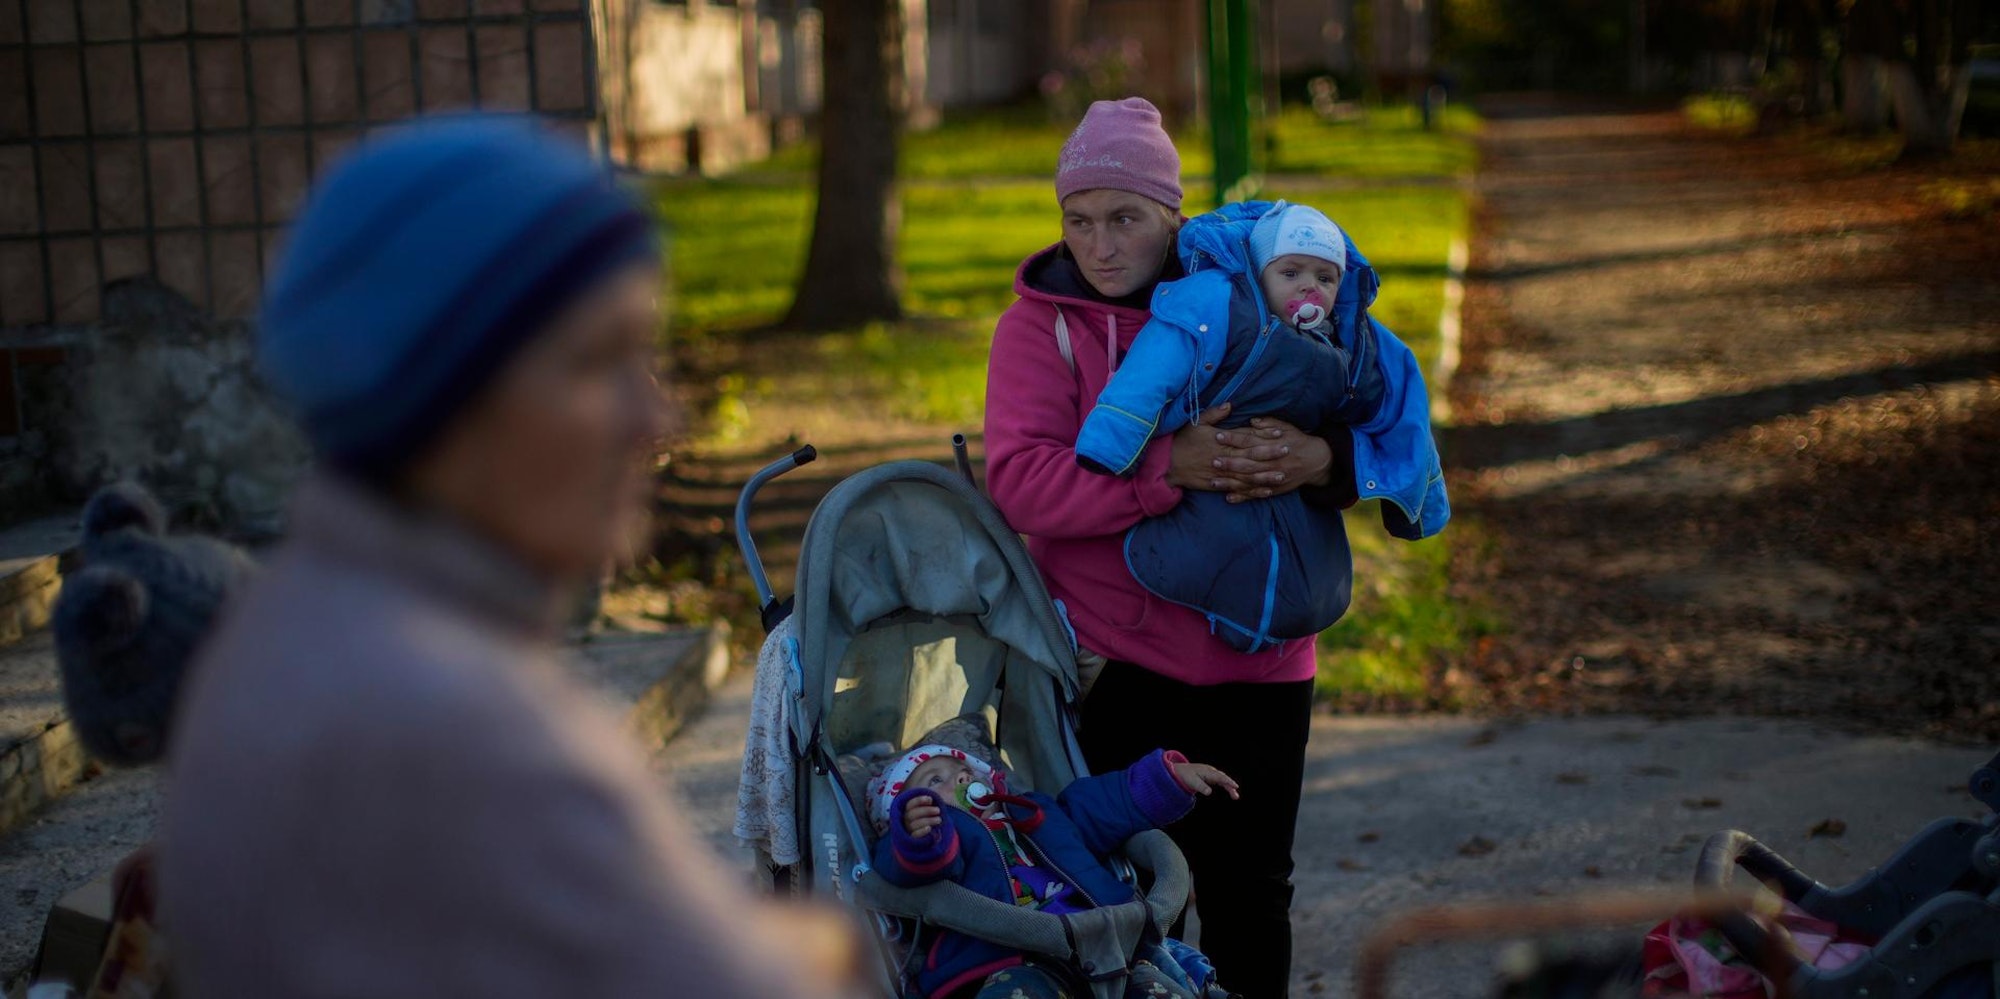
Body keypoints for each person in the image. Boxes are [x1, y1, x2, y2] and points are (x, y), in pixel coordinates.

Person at [157, 115, 853, 997]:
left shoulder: (287, 628)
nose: (657, 418)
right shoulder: (472, 740)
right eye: (598, 359)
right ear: (440, 393)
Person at [983, 96, 1372, 999]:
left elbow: (1375, 410)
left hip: (1266, 668)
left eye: (1126, 218)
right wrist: (1167, 468)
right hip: (1119, 664)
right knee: (1126, 904)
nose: (1101, 245)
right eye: (1079, 221)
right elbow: (1023, 483)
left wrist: (1326, 459)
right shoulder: (1039, 330)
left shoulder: (1269, 294)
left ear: (1174, 214)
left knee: (1250, 899)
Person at [1072, 199, 1448, 652]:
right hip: (1212, 495)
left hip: (1292, 506)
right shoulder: (1217, 301)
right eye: (1290, 274)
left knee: (1304, 585)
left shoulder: (1352, 338)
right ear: (1259, 271)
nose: (1309, 288)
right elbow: (1154, 369)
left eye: (1324, 278)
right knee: (1212, 549)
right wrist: (1114, 441)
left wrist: (1347, 466)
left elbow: (1401, 408)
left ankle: (1264, 621)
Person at [868, 744, 1238, 999]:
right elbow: (908, 867)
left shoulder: (1035, 811)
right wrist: (918, 834)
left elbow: (1107, 803)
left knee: (1157, 978)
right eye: (934, 781)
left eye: (961, 770)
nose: (959, 779)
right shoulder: (946, 837)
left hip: (1107, 945)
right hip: (1009, 955)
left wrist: (1171, 778)